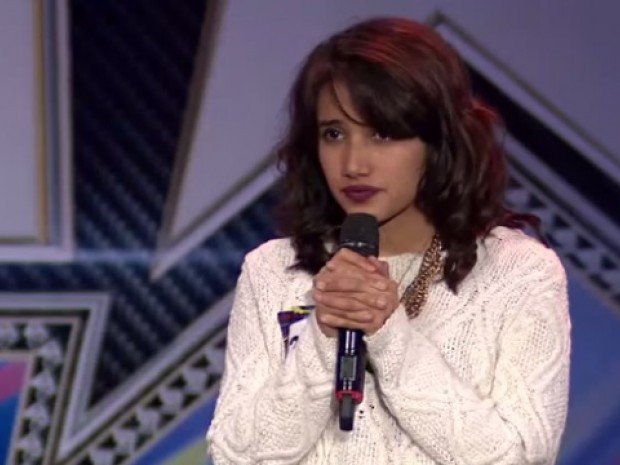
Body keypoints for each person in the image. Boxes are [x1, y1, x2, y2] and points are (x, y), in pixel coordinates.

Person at [206, 17, 570, 465]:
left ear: (437, 141)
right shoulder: (272, 272)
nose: (354, 164)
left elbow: (521, 458)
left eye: (382, 133)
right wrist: (323, 334)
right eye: (334, 134)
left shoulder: (519, 273)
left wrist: (388, 334)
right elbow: (235, 456)